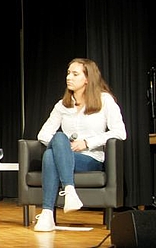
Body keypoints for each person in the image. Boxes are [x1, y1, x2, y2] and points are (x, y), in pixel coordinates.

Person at [33, 58, 127, 232]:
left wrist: (87, 143)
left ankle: (47, 213)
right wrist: (62, 146)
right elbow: (43, 134)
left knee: (50, 154)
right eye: (68, 73)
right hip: (65, 155)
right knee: (58, 141)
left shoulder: (104, 100)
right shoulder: (62, 105)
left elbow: (120, 132)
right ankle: (68, 192)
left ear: (87, 79)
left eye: (75, 74)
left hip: (90, 158)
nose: (69, 77)